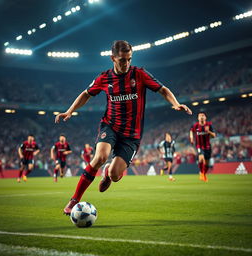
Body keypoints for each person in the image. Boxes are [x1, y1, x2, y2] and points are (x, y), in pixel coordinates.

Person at [55, 40, 192, 215]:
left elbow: (162, 89)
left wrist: (176, 103)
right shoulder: (104, 78)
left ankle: (108, 175)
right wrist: (69, 111)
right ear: (112, 58)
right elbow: (85, 94)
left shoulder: (140, 74)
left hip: (132, 135)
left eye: (129, 59)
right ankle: (74, 199)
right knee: (100, 157)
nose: (126, 63)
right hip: (110, 126)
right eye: (122, 60)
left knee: (113, 174)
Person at [190, 112, 216, 182]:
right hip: (199, 146)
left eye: (203, 116)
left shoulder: (209, 125)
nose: (201, 117)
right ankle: (201, 173)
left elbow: (214, 136)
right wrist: (191, 138)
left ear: (205, 118)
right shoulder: (196, 125)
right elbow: (191, 131)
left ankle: (204, 174)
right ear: (198, 118)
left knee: (207, 163)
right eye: (200, 116)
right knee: (201, 158)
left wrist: (209, 132)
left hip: (207, 146)